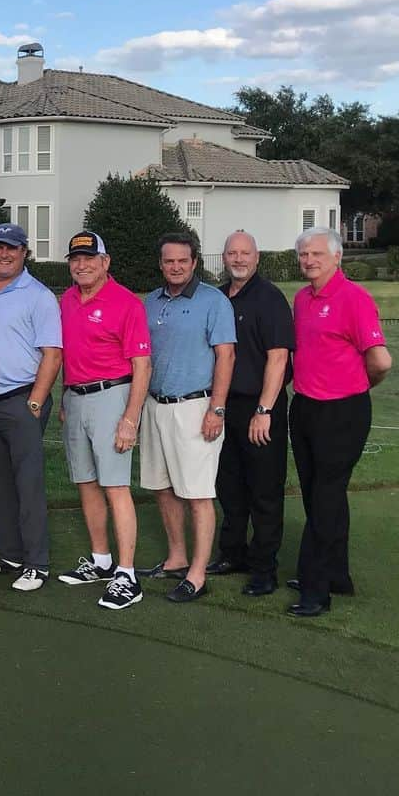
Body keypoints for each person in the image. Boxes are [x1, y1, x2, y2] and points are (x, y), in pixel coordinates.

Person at [288, 227, 391, 618]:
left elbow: (381, 361)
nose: (309, 261)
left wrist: (360, 385)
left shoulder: (354, 298)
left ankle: (316, 589)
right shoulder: (302, 298)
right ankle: (336, 575)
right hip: (306, 408)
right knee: (318, 493)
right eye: (303, 255)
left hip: (343, 412)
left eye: (316, 254)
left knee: (326, 496)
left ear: (336, 257)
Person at [56, 232, 151, 611]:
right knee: (86, 483)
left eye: (89, 258)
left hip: (113, 396)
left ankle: (127, 574)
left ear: (105, 262)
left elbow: (142, 366)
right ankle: (101, 561)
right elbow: (65, 351)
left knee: (115, 486)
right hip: (75, 397)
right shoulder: (66, 299)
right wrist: (64, 395)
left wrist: (131, 417)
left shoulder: (126, 302)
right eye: (76, 259)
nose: (81, 265)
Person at [140, 232, 236, 603]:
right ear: (161, 264)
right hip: (155, 406)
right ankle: (177, 558)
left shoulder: (213, 301)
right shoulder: (151, 302)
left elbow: (226, 357)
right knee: (162, 487)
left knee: (197, 493)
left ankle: (197, 574)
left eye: (182, 260)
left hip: (197, 407)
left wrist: (217, 408)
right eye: (169, 261)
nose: (175, 267)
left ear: (194, 262)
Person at [0, 224, 62, 592]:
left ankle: (36, 562)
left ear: (24, 252)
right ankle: (9, 553)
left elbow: (52, 355)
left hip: (23, 399)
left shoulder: (38, 296)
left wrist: (35, 402)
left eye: (12, 248)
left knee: (28, 485)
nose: (4, 254)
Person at [208, 231, 295, 597]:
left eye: (245, 253)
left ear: (257, 258)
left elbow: (279, 357)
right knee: (229, 486)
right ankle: (233, 554)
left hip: (261, 406)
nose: (238, 259)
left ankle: (264, 569)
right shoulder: (219, 297)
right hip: (226, 405)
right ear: (224, 257)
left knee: (264, 491)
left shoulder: (269, 298)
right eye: (232, 253)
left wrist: (265, 409)